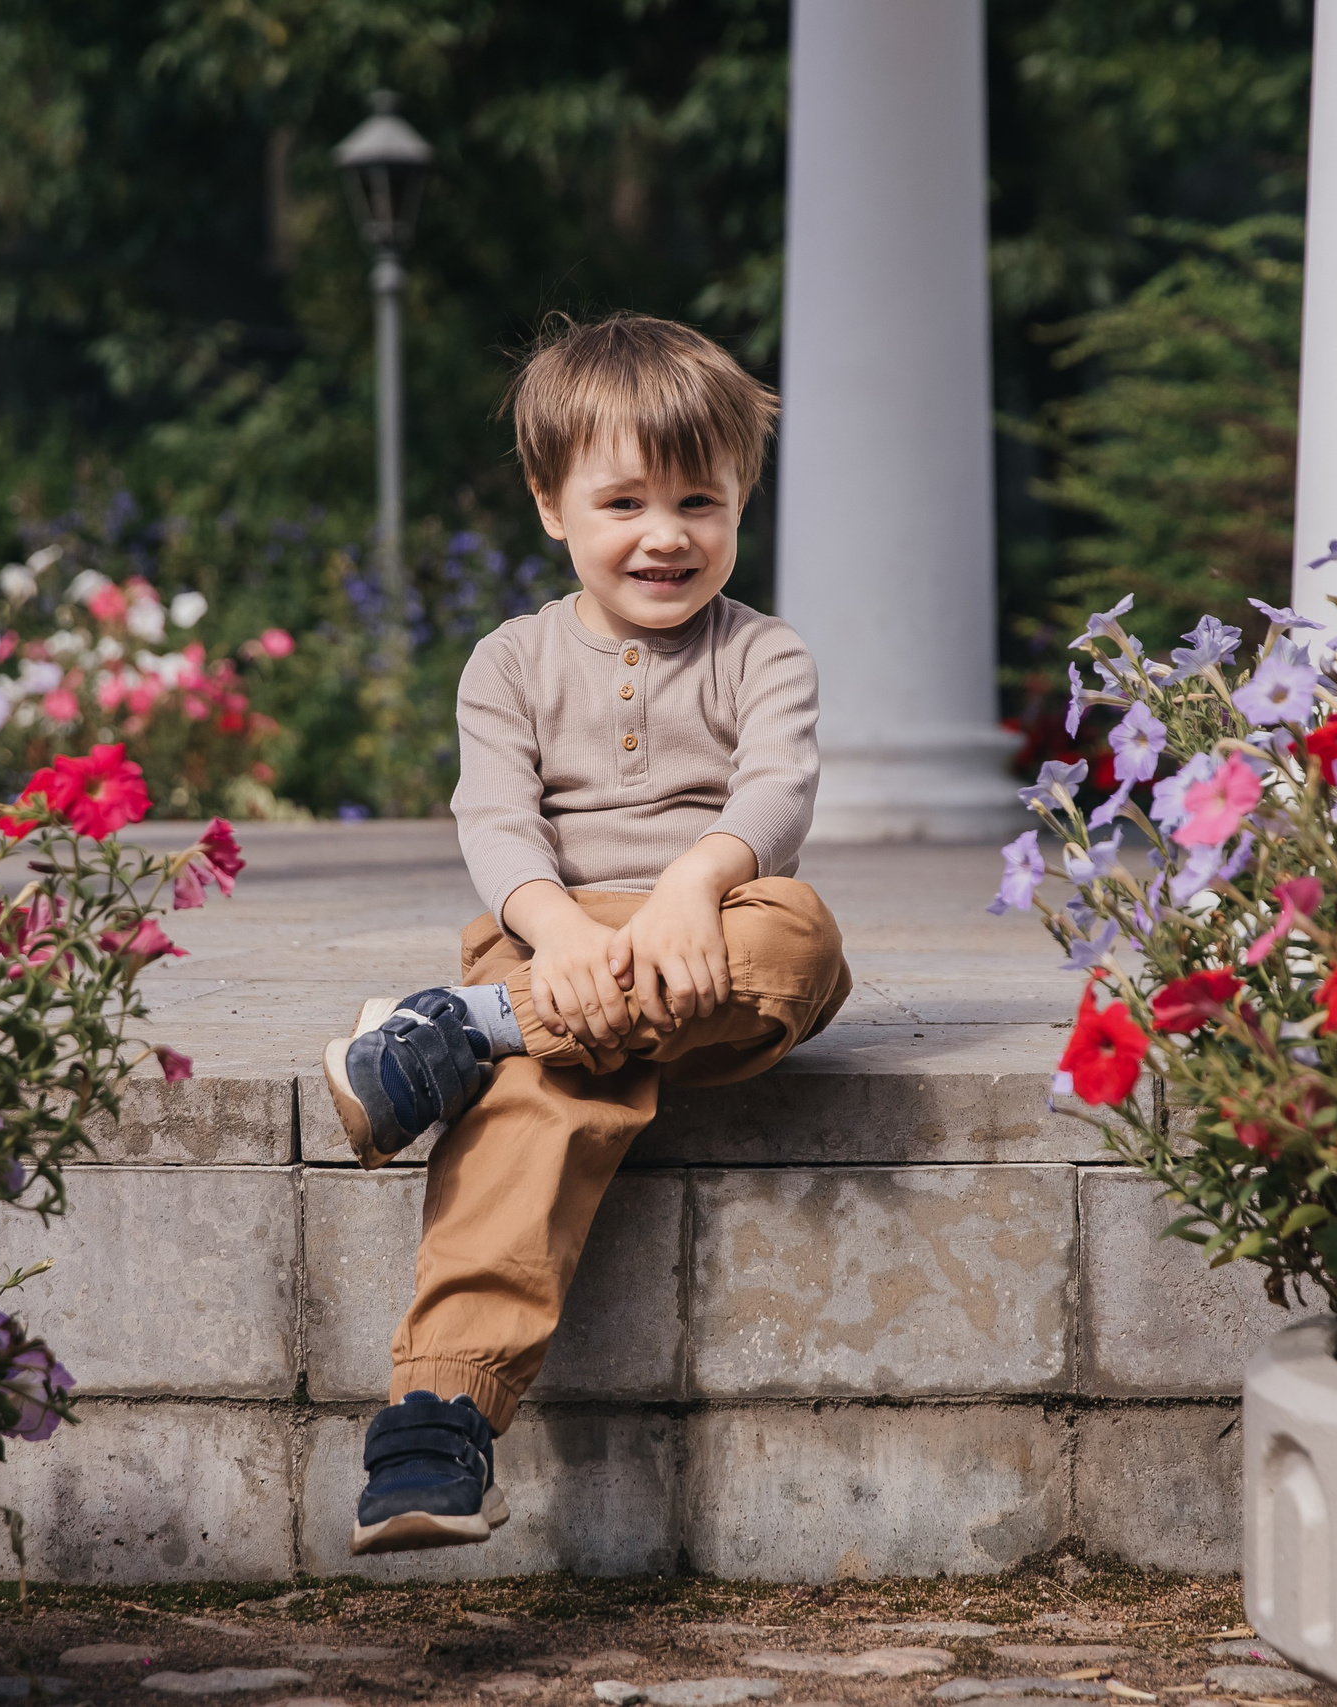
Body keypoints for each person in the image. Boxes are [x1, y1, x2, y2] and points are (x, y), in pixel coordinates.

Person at [325, 312, 854, 1554]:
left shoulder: (763, 652)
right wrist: (559, 934)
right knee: (542, 1105)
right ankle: (434, 1416)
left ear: (740, 503)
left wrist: (684, 889)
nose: (665, 534)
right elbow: (496, 822)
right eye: (623, 501)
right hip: (544, 935)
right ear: (550, 504)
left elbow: (775, 797)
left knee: (806, 945)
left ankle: (468, 1035)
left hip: (714, 925)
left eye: (699, 501)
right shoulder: (507, 660)